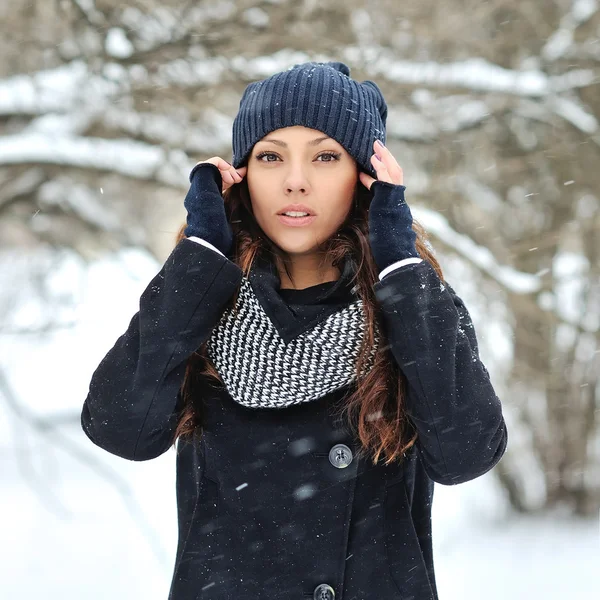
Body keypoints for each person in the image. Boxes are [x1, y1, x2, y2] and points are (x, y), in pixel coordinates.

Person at [81, 61, 507, 600]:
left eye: (326, 156)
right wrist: (200, 258)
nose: (295, 179)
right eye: (270, 156)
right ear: (241, 176)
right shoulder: (199, 300)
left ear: (365, 176)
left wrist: (398, 262)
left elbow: (467, 453)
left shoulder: (410, 302)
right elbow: (121, 430)